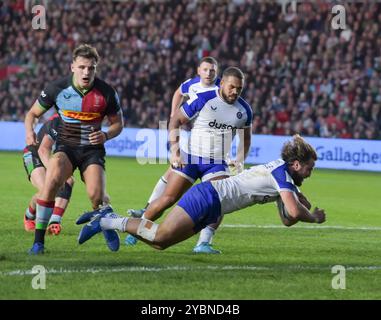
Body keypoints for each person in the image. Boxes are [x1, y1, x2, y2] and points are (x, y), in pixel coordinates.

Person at [77, 135, 326, 252]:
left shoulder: (283, 177)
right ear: (296, 164)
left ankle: (109, 222)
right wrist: (312, 216)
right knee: (160, 233)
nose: (309, 173)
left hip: (213, 206)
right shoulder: (282, 175)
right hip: (208, 196)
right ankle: (107, 220)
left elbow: (287, 219)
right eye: (309, 168)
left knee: (160, 243)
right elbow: (293, 212)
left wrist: (293, 200)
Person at [24, 44, 124, 254]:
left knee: (97, 197)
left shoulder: (106, 92)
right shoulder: (57, 89)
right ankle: (38, 242)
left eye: (91, 68)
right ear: (72, 67)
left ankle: (103, 221)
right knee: (51, 183)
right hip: (66, 148)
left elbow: (118, 124)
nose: (86, 72)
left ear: (96, 68)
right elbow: (32, 114)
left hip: (92, 151)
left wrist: (106, 134)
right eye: (82, 67)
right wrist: (29, 132)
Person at [126, 57, 228, 253]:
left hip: (213, 153)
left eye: (212, 71)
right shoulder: (194, 87)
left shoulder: (224, 93)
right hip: (192, 144)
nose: (208, 73)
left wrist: (235, 155)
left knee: (219, 197)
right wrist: (174, 112)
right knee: (169, 192)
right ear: (199, 70)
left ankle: (204, 242)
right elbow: (178, 94)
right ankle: (139, 222)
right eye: (205, 70)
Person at [23, 114, 74, 235]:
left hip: (51, 158)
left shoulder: (77, 123)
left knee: (69, 181)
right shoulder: (57, 121)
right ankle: (29, 216)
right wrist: (53, 171)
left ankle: (55, 221)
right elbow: (42, 150)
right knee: (45, 190)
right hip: (33, 154)